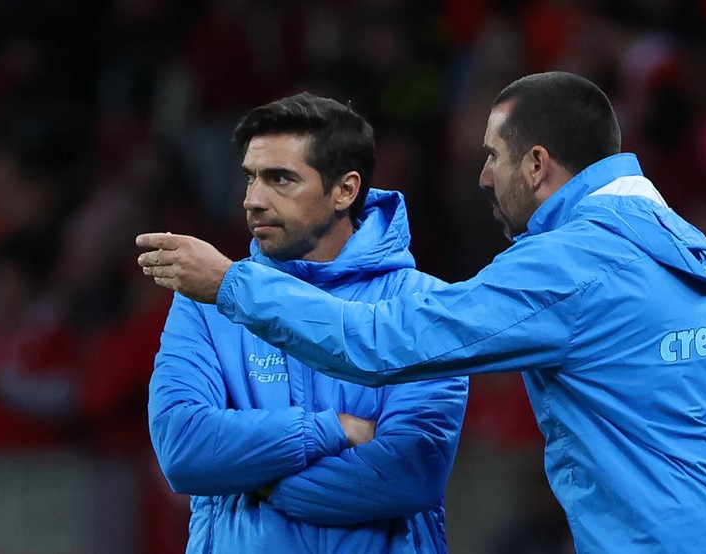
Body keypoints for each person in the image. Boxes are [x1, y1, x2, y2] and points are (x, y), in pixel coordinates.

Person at [137, 72, 706, 552]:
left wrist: (231, 286)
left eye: (493, 156)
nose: (483, 176)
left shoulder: (565, 268)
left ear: (537, 164)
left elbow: (386, 346)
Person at [144, 93, 469, 553]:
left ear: (345, 190)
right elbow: (184, 450)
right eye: (250, 178)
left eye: (280, 179)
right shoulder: (205, 301)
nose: (253, 200)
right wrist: (330, 429)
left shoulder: (422, 304)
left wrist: (261, 482)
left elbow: (409, 475)